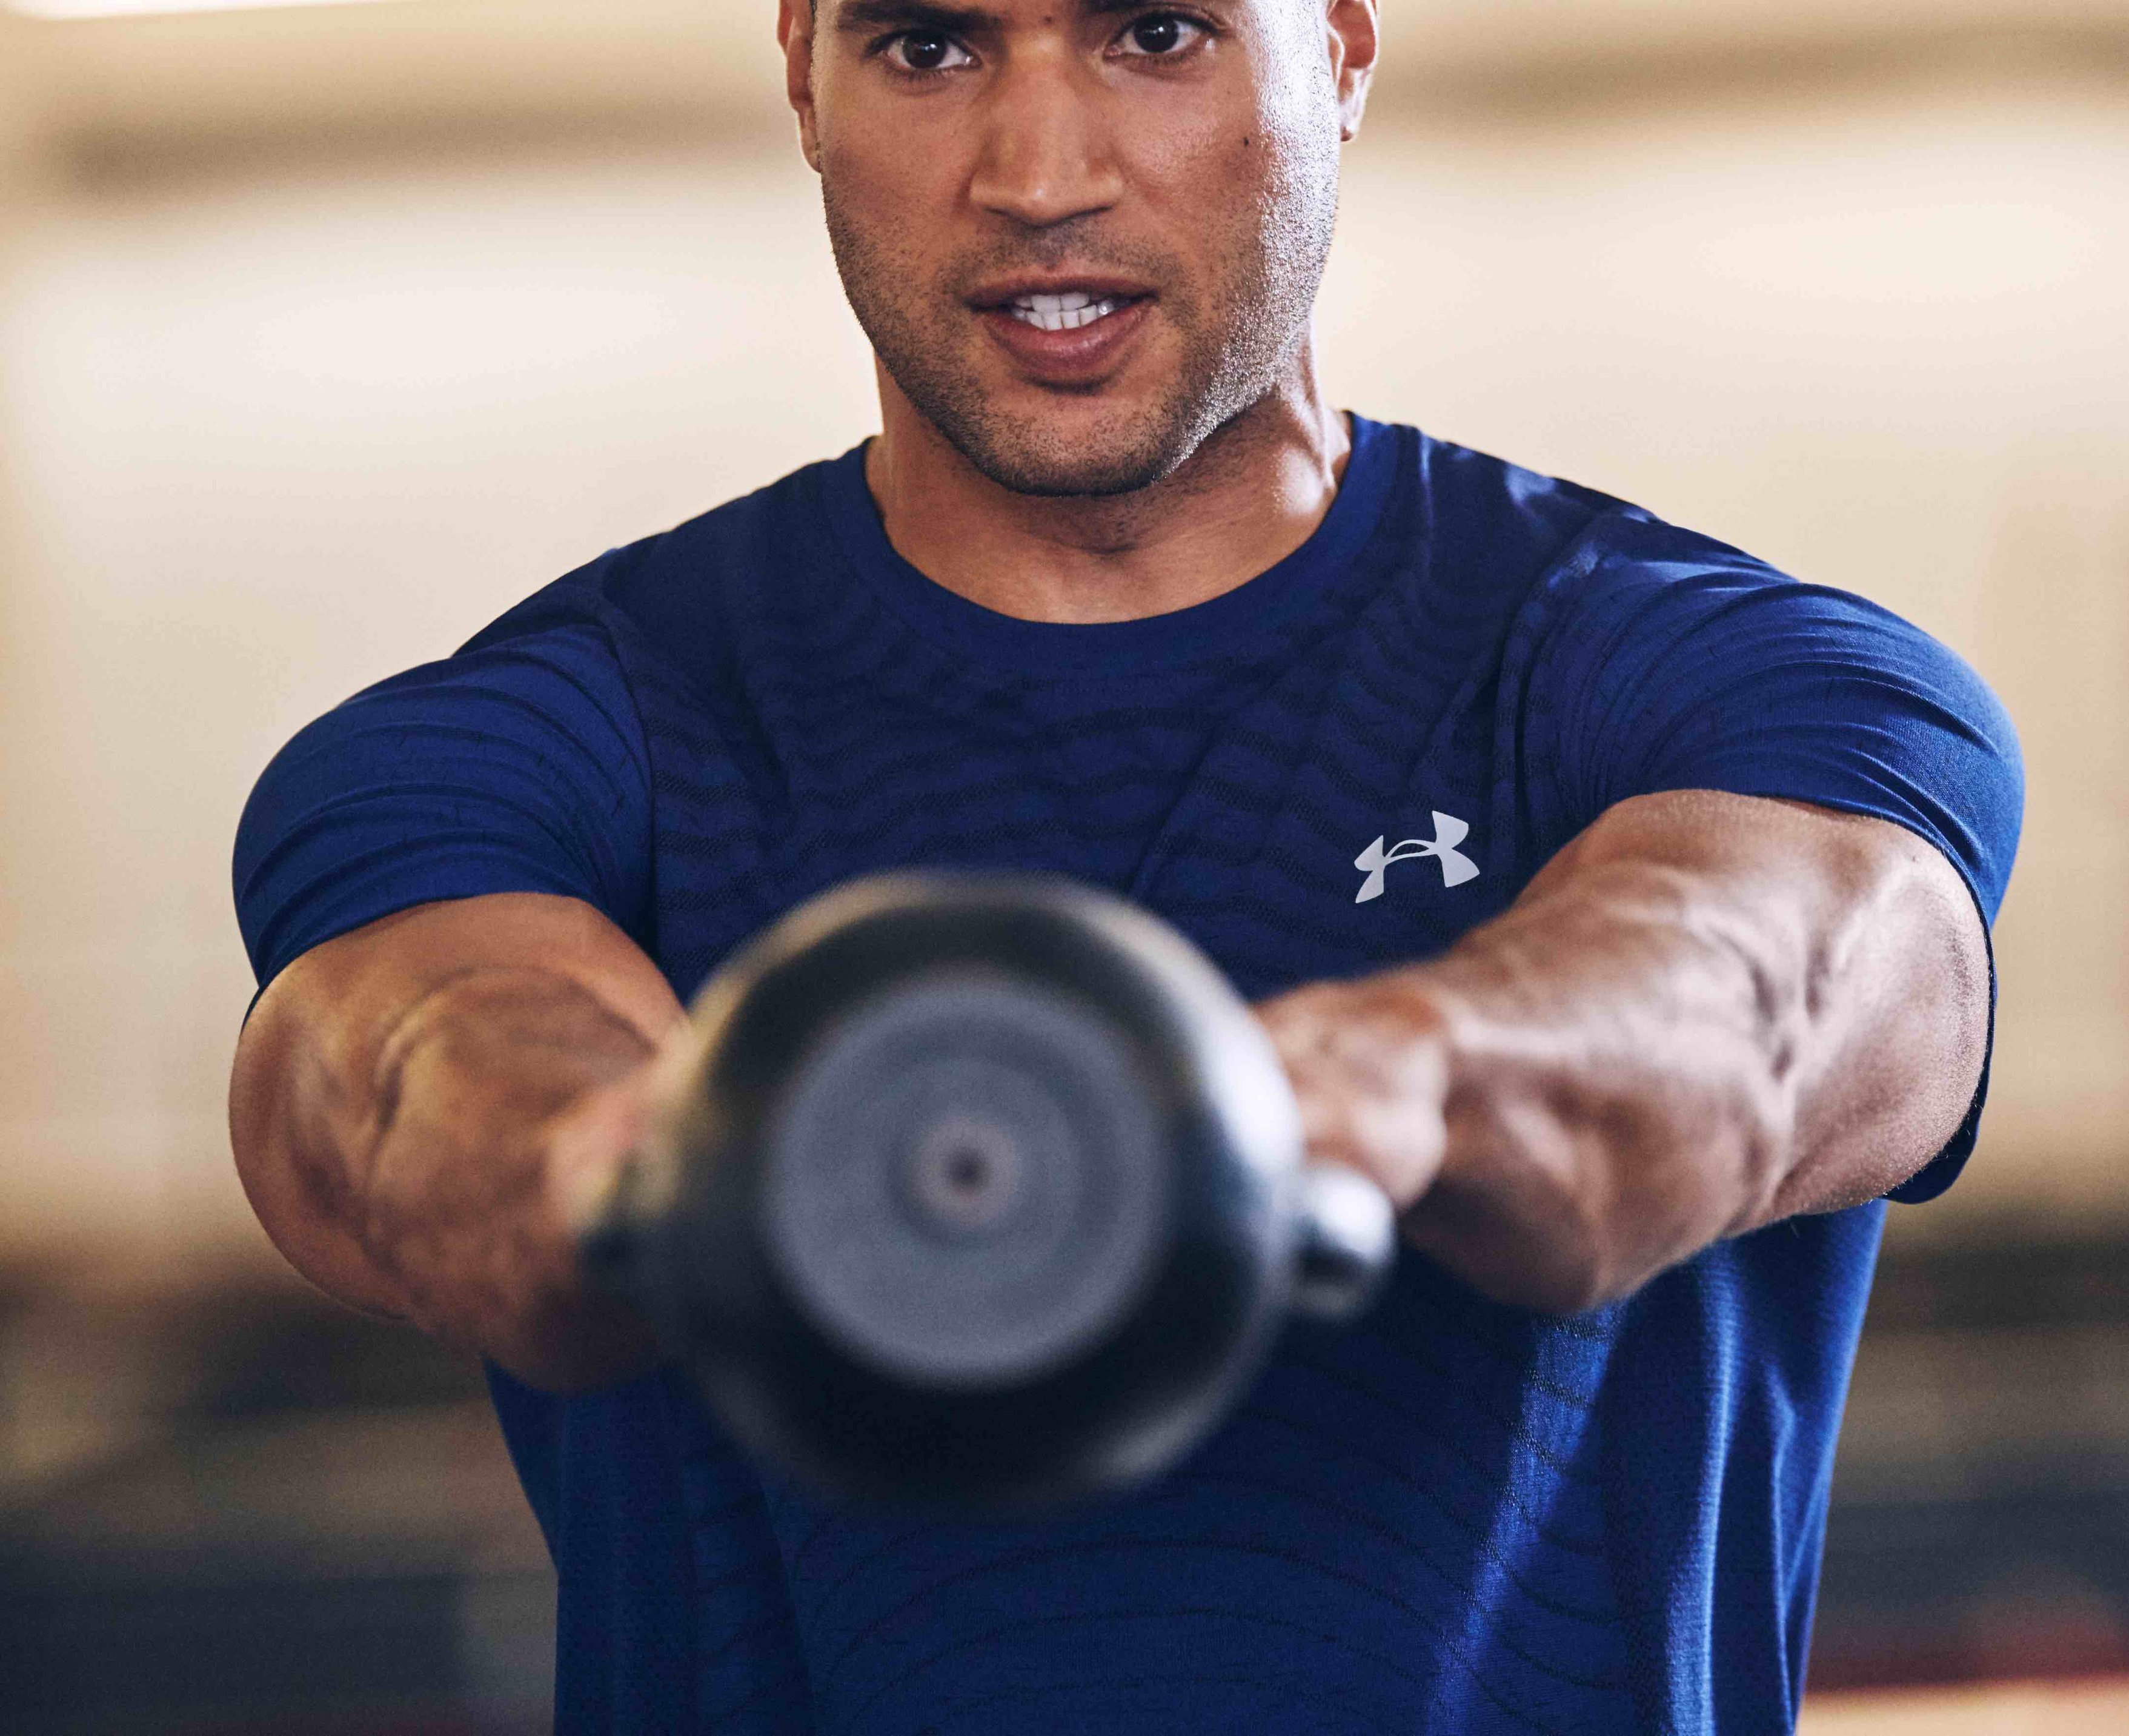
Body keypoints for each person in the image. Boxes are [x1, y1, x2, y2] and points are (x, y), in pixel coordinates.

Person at [227, 0, 2023, 1730]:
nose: (1038, 171)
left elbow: (1765, 997)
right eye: (928, 46)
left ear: (1341, 47)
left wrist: (1366, 1081)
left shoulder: (1718, 680)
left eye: (1155, 31)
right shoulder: (549, 739)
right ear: (803, 77)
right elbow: (392, 1074)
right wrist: (627, 1154)